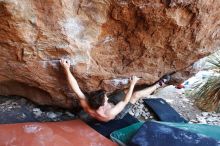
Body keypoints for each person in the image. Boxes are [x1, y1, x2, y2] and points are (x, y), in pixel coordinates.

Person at [60, 59, 170, 122]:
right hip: (117, 114)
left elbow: (76, 88)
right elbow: (125, 101)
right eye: (105, 98)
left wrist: (66, 69)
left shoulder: (87, 105)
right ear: (103, 104)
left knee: (121, 92)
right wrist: (132, 84)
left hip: (101, 110)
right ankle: (159, 84)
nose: (107, 96)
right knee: (135, 94)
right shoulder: (110, 112)